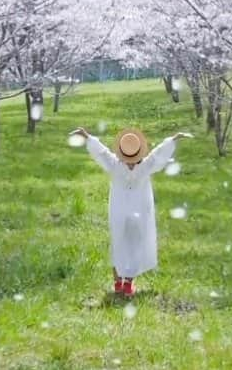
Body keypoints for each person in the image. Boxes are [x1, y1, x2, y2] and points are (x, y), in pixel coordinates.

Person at [69, 126, 192, 296]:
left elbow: (101, 152)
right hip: (137, 211)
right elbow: (158, 155)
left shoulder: (115, 165)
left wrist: (86, 136)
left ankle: (121, 283)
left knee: (120, 243)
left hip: (121, 211)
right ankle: (125, 283)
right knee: (131, 244)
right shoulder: (145, 166)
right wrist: (173, 139)